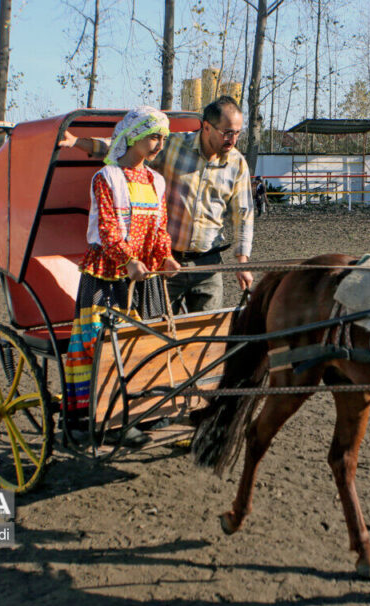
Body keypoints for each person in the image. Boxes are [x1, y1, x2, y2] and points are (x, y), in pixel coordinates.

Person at [60, 96, 255, 313]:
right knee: (157, 330)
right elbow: (125, 145)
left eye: (237, 133)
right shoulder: (172, 145)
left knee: (206, 333)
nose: (233, 139)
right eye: (227, 132)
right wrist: (78, 142)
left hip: (208, 265)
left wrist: (243, 261)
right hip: (166, 261)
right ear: (207, 127)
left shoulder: (237, 163)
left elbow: (243, 214)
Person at [64, 107, 181, 445]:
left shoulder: (155, 180)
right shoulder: (106, 178)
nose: (159, 144)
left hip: (144, 278)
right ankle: (96, 417)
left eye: (163, 138)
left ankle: (143, 411)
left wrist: (166, 256)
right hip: (107, 276)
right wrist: (128, 260)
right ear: (133, 136)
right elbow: (108, 228)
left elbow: (159, 228)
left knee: (147, 343)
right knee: (102, 346)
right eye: (154, 136)